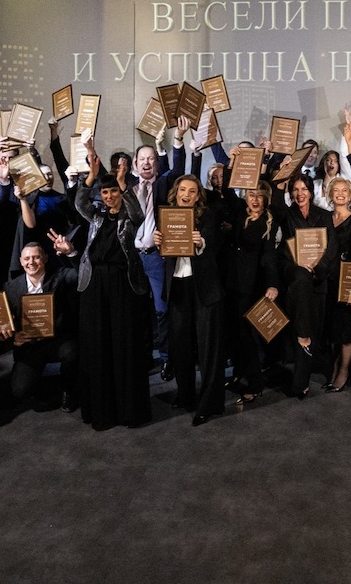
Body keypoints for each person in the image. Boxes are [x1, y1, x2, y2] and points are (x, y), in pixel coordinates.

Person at [59, 146, 152, 431]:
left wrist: (123, 183)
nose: (109, 196)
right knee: (98, 344)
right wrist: (91, 176)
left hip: (123, 285)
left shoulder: (129, 216)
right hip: (94, 285)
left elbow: (138, 214)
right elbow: (79, 204)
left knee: (123, 344)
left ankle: (128, 411)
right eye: (106, 192)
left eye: (113, 191)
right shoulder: (96, 215)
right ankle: (102, 410)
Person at [154, 175, 226, 425]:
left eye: (192, 191)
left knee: (208, 349)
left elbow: (213, 243)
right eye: (182, 189)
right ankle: (185, 395)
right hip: (177, 286)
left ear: (198, 196)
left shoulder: (208, 216)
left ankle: (209, 404)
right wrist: (159, 243)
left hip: (204, 288)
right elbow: (165, 251)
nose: (186, 194)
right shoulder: (166, 216)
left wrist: (201, 242)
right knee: (179, 346)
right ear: (176, 193)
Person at [125, 118, 190, 380]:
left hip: (155, 259)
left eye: (151, 159)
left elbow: (178, 170)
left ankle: (166, 359)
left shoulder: (164, 183)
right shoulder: (126, 188)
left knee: (162, 310)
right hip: (132, 259)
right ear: (135, 163)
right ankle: (138, 358)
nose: (147, 162)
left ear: (156, 163)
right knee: (134, 311)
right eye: (142, 159)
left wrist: (177, 139)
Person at [273, 172, 339, 399]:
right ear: (291, 193)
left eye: (304, 189)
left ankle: (301, 377)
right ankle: (300, 376)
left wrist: (317, 269)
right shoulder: (286, 214)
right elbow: (275, 203)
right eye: (296, 189)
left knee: (312, 327)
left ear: (311, 192)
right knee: (300, 278)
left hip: (317, 277)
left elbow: (332, 248)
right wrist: (281, 177)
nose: (300, 194)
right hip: (292, 271)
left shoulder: (324, 216)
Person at [2, 241, 80, 412]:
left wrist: (71, 253)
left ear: (45, 258)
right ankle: (45, 389)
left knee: (72, 353)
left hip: (58, 340)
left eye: (36, 257)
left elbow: (80, 275)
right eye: (27, 259)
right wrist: (14, 336)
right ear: (21, 261)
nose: (31, 262)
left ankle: (69, 390)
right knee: (20, 390)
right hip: (30, 345)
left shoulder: (60, 276)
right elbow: (5, 322)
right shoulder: (11, 287)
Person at [222, 181, 280, 403]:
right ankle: (239, 373)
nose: (255, 199)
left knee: (246, 335)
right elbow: (227, 190)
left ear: (265, 199)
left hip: (250, 283)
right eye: (251, 195)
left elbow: (269, 255)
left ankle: (255, 384)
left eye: (259, 195)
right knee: (233, 332)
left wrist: (273, 284)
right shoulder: (240, 213)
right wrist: (232, 166)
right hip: (231, 280)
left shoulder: (269, 221)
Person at [324, 177, 351, 393]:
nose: (340, 194)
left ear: (350, 196)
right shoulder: (325, 219)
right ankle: (333, 367)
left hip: (348, 283)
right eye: (336, 190)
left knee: (347, 331)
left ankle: (344, 371)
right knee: (332, 330)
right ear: (330, 195)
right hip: (327, 283)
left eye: (344, 191)